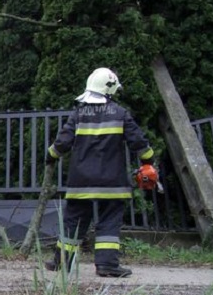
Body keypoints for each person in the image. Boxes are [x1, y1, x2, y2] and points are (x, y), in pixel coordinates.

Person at [46, 67, 155, 278]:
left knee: (72, 222)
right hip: (112, 183)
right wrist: (149, 161)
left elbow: (62, 144)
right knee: (108, 222)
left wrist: (50, 156)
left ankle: (62, 263)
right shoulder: (121, 114)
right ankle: (107, 265)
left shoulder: (78, 115)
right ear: (110, 89)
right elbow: (139, 143)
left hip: (81, 182)